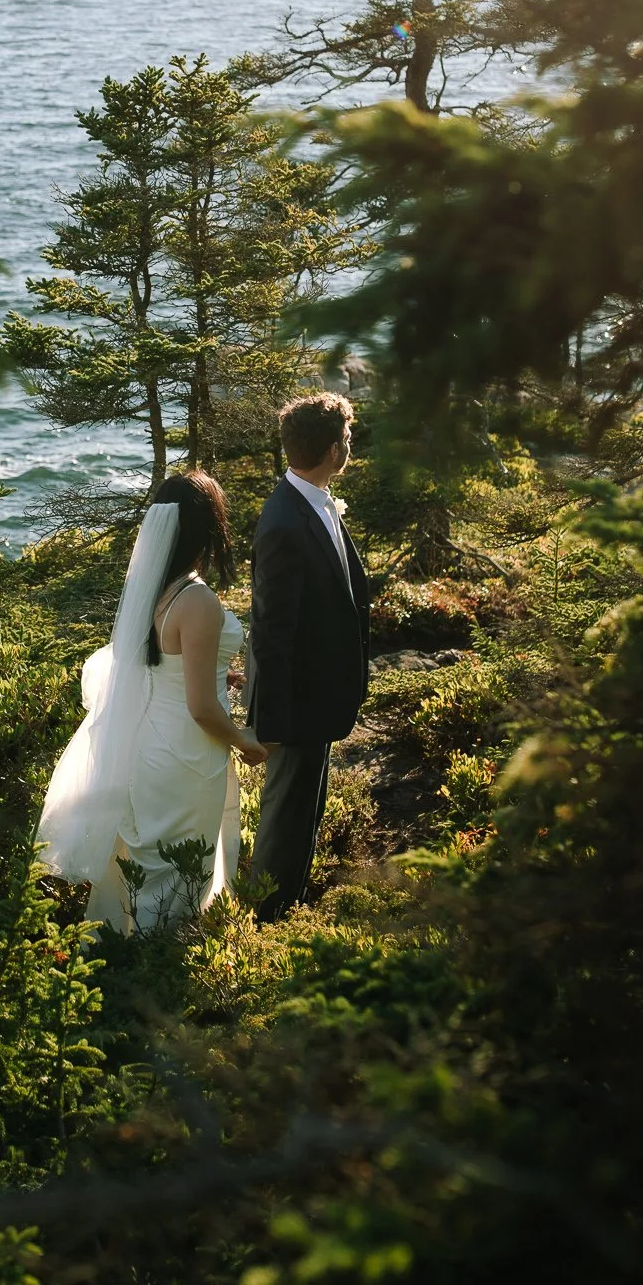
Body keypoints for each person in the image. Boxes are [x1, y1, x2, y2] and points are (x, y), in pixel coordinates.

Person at [36, 471, 268, 933]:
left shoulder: (155, 589)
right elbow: (201, 708)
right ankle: (161, 962)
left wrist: (219, 672)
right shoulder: (197, 599)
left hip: (148, 745)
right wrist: (246, 742)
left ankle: (125, 955)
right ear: (207, 528)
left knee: (147, 866)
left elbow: (162, 664)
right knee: (180, 867)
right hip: (187, 752)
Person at [246, 393, 371, 920]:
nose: (349, 445)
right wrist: (270, 723)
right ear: (329, 449)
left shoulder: (314, 502)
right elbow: (272, 631)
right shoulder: (283, 522)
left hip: (318, 695)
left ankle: (288, 903)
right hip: (294, 703)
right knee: (285, 814)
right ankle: (266, 917)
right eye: (345, 438)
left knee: (306, 810)